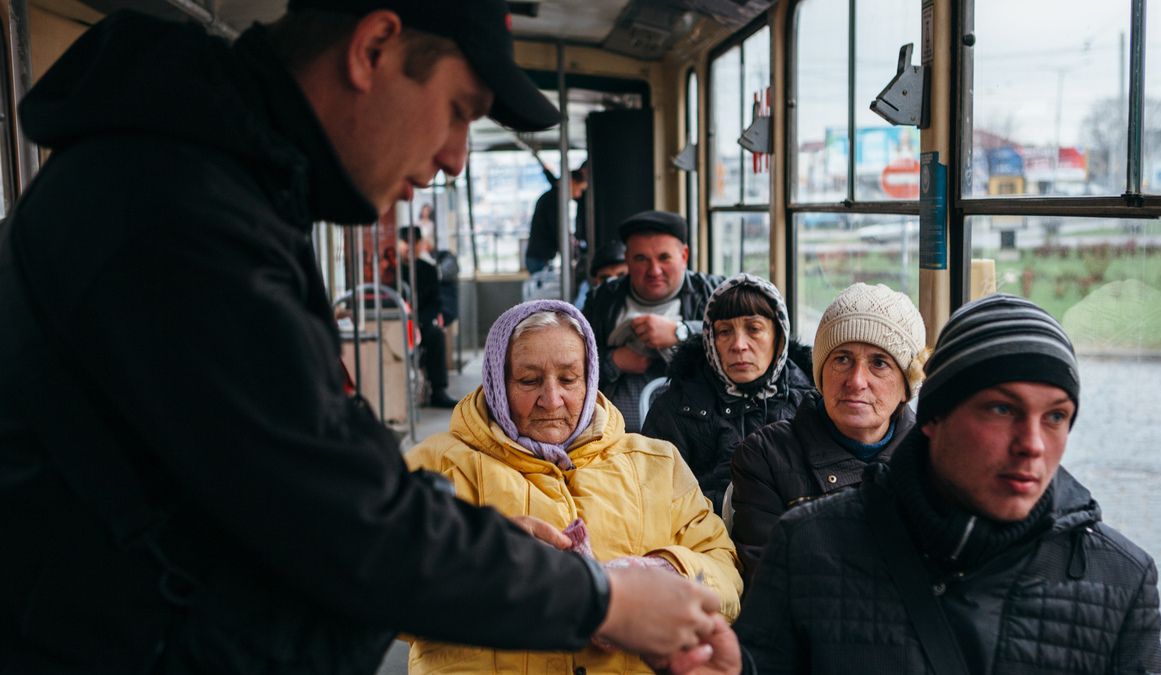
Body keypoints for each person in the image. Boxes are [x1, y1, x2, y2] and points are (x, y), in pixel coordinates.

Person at [0, 2, 738, 672]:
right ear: (374, 47)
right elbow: (343, 521)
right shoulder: (178, 215)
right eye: (457, 110)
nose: (455, 157)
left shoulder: (218, 189)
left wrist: (500, 552)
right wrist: (599, 596)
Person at [736, 294, 1161, 674]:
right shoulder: (811, 544)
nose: (1032, 445)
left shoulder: (1122, 581)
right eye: (1001, 410)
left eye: (1055, 416)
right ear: (935, 419)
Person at [405, 300, 743, 674]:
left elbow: (723, 569)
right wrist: (484, 561)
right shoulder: (436, 466)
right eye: (529, 380)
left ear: (591, 378)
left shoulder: (656, 464)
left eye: (568, 379)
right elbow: (374, 592)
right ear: (498, 383)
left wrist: (665, 574)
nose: (551, 400)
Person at [730, 282, 925, 583]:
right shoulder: (767, 456)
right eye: (842, 359)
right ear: (820, 373)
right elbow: (769, 582)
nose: (857, 381)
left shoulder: (934, 458)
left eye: (879, 363)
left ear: (906, 386)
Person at [642, 274, 815, 517]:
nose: (739, 345)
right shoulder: (676, 407)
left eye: (754, 329)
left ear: (779, 336)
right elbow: (655, 499)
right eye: (724, 332)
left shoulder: (811, 402)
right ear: (711, 341)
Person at [583, 210, 722, 432]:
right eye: (641, 259)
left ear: (684, 256)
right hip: (616, 437)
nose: (654, 270)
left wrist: (682, 332)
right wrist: (613, 362)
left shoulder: (714, 293)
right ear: (627, 259)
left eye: (664, 258)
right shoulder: (602, 300)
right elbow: (573, 364)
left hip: (697, 429)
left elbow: (739, 342)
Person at [399, 225, 455, 408]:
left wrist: (419, 322)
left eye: (413, 243)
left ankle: (438, 390)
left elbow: (435, 303)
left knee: (436, 335)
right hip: (397, 322)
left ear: (420, 244)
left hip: (421, 322)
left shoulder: (428, 270)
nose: (409, 247)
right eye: (405, 243)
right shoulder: (392, 272)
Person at [526, 164, 588, 274]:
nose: (579, 195)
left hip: (540, 256)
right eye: (580, 189)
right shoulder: (555, 201)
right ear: (572, 183)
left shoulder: (552, 196)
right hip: (540, 258)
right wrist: (573, 252)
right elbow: (559, 230)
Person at [573, 239, 628, 309]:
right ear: (595, 281)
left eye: (621, 276)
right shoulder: (588, 294)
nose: (613, 283)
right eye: (605, 278)